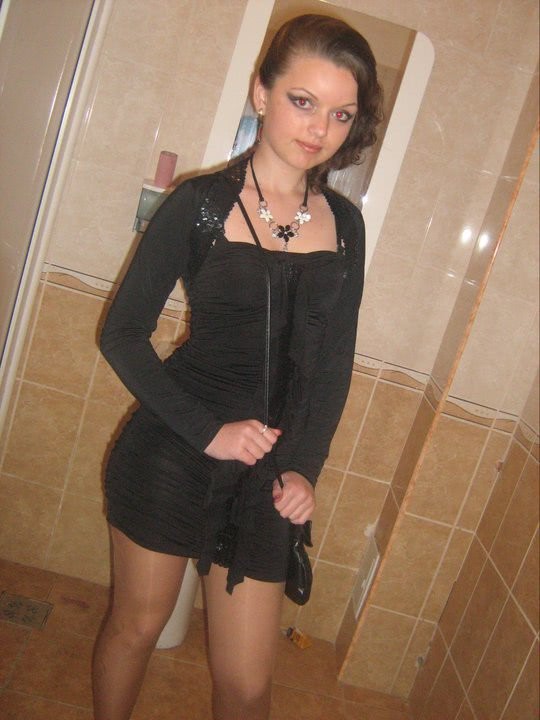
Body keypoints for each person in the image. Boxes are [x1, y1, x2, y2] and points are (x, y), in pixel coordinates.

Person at [92, 13, 382, 720]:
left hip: (267, 477)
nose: (319, 128)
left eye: (341, 113)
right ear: (261, 93)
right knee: (136, 629)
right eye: (303, 101)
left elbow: (333, 365)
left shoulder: (345, 226)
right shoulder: (198, 205)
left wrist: (304, 468)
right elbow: (121, 333)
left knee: (249, 686)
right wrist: (208, 432)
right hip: (173, 453)